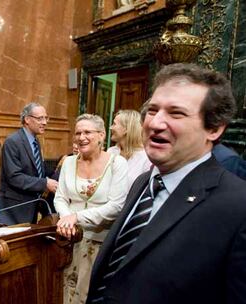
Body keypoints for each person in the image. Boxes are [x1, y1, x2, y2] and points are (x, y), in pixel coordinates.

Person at [86, 63, 246, 304]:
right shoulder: (143, 182)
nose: (155, 123)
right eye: (152, 110)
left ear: (213, 128)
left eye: (176, 113)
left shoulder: (238, 207)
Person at [54, 114, 128, 304]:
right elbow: (60, 197)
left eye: (87, 132)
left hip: (101, 243)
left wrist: (76, 216)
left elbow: (116, 206)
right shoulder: (69, 162)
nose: (81, 137)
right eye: (77, 133)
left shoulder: (117, 164)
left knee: (89, 294)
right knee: (65, 289)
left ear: (101, 135)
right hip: (69, 240)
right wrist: (66, 219)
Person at [0, 102, 58, 225]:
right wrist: (44, 183)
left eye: (46, 118)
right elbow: (14, 177)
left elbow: (37, 170)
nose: (45, 122)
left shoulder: (35, 141)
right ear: (27, 119)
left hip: (30, 208)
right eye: (40, 118)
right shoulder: (13, 141)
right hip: (13, 211)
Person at [108, 109, 151, 189]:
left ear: (126, 129)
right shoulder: (111, 152)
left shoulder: (146, 158)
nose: (111, 128)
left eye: (114, 124)